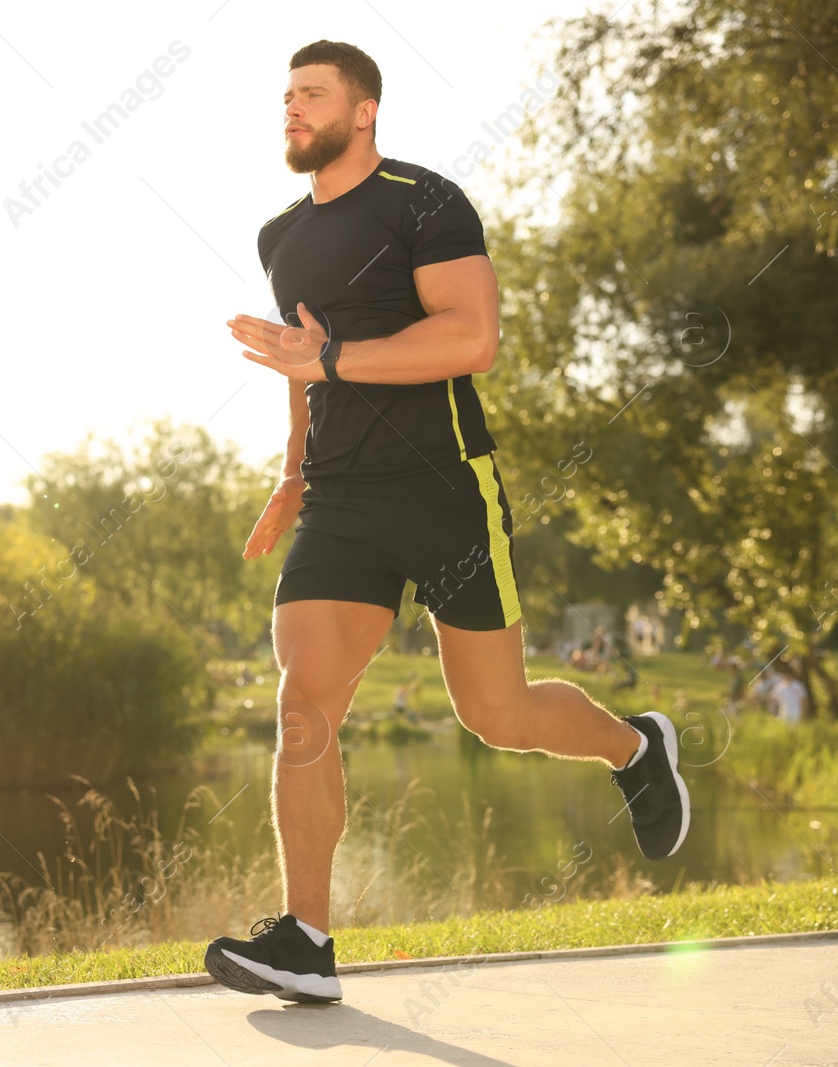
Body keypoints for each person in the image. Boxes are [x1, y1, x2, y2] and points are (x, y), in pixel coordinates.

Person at [203, 40, 690, 1005]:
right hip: (340, 503)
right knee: (302, 706)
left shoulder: (424, 200)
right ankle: (307, 941)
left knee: (494, 714)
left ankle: (636, 747)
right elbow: (305, 366)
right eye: (286, 97)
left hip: (444, 490)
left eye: (313, 95)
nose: (292, 111)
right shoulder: (279, 236)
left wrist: (332, 356)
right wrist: (294, 473)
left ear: (366, 110)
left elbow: (472, 336)